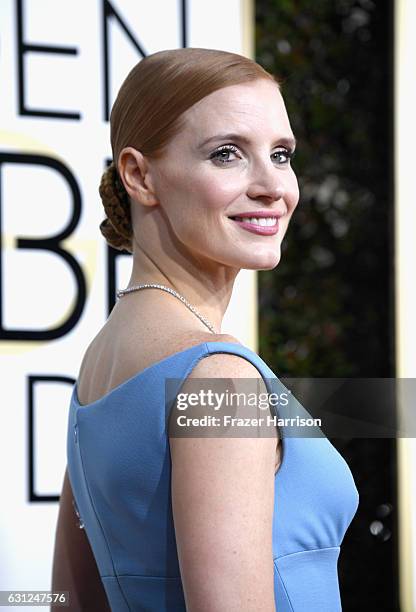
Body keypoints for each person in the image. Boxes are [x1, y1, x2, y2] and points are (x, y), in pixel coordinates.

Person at [51, 48, 359, 611]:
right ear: (140, 175)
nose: (274, 187)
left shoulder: (102, 364)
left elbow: (67, 601)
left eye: (282, 154)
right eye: (227, 154)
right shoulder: (219, 378)